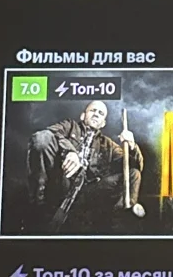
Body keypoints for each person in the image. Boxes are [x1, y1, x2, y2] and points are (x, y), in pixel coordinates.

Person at [27, 99, 144, 230]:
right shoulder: (69, 126)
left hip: (89, 192)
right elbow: (48, 134)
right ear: (83, 115)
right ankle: (39, 203)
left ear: (103, 123)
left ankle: (122, 217)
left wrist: (132, 146)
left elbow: (136, 165)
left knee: (134, 173)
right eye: (93, 110)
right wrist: (70, 151)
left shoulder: (109, 145)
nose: (96, 114)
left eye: (101, 113)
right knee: (42, 138)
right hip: (63, 180)